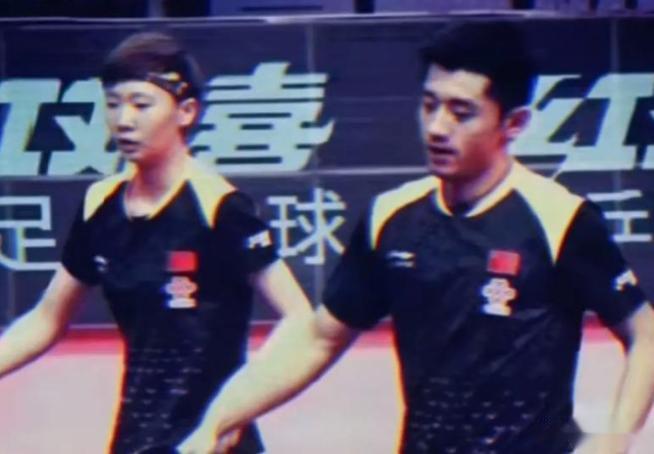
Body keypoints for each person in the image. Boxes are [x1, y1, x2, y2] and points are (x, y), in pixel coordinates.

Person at [178, 21, 654, 454]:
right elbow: (319, 340)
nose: (437, 127)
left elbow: (645, 335)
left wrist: (616, 437)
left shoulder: (560, 220)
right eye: (429, 105)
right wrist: (220, 419)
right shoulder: (391, 219)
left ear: (514, 124)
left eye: (461, 112)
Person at [0, 32, 311, 454]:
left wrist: (236, 408)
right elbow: (48, 318)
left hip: (211, 440)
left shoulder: (218, 206)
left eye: (141, 104)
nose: (123, 120)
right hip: (137, 437)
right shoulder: (100, 204)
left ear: (186, 111)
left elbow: (299, 319)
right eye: (113, 104)